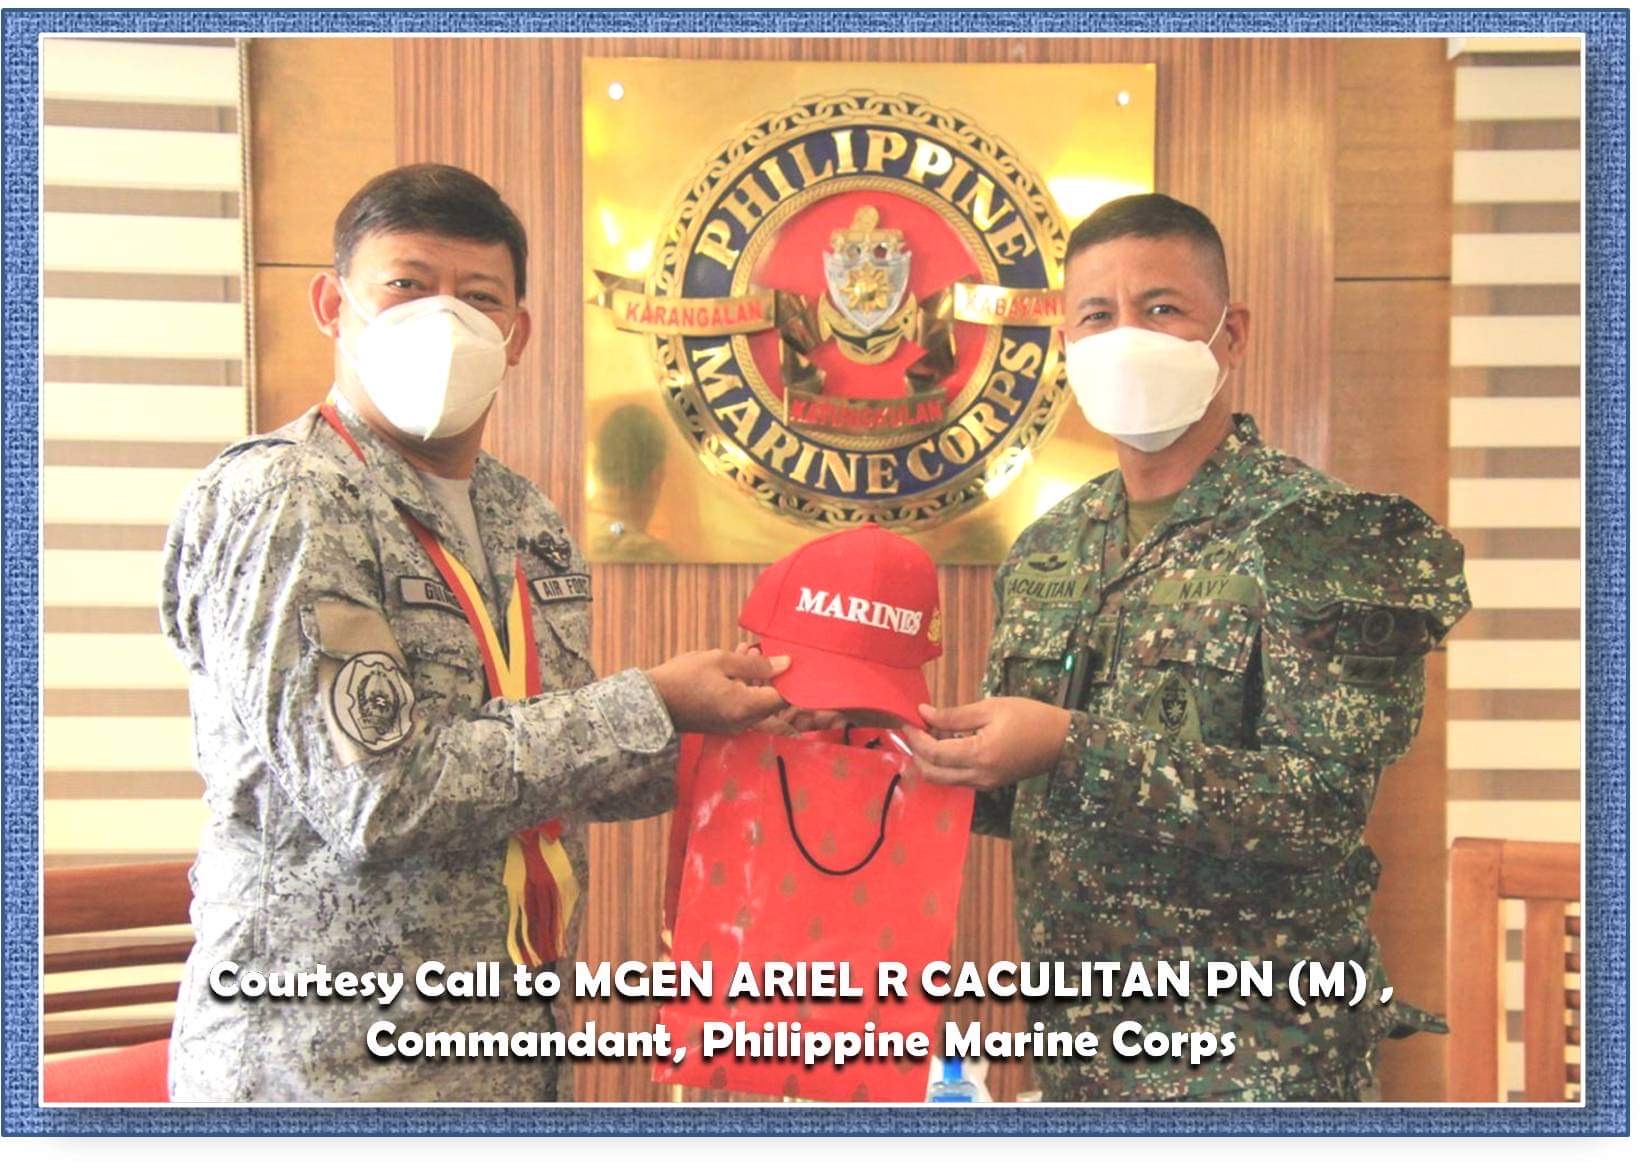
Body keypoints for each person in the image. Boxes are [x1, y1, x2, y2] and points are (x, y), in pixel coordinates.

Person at [160, 164, 788, 1102]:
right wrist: (649, 702)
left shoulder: (520, 514)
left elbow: (550, 764)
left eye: (478, 296)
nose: (443, 319)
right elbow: (381, 797)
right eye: (406, 285)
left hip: (506, 1050)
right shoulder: (287, 498)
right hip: (324, 1071)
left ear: (516, 334)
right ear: (334, 304)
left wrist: (728, 729)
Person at [902, 193, 1471, 1102]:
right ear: (1065, 346)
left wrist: (1069, 745)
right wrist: (894, 746)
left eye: (1160, 307)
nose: (1126, 336)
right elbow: (1018, 794)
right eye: (1097, 316)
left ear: (1229, 334)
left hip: (1257, 1067)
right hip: (1079, 1055)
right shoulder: (1051, 544)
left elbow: (1316, 808)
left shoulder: (1328, 537)